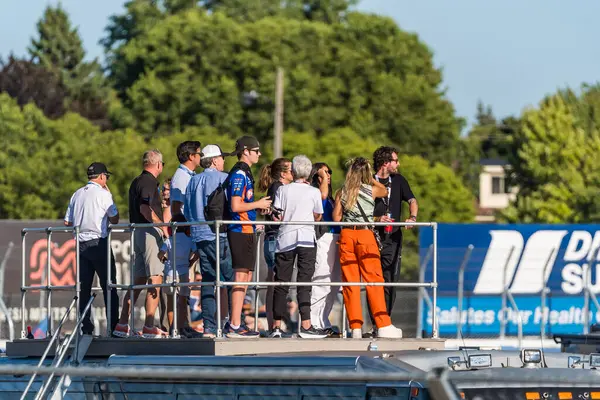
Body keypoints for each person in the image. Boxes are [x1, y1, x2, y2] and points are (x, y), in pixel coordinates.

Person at [332, 157, 403, 339]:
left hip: (347, 236)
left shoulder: (342, 192)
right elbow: (384, 189)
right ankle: (383, 324)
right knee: (374, 280)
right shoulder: (371, 190)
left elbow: (336, 218)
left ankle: (355, 326)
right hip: (365, 235)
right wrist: (370, 177)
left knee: (350, 283)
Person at [113, 149, 169, 339]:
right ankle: (149, 326)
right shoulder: (148, 182)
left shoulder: (136, 181)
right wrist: (162, 226)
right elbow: (145, 207)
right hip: (148, 232)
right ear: (158, 164)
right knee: (155, 278)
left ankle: (122, 324)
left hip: (137, 232)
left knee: (138, 282)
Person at [269, 155, 326, 339]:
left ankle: (276, 326)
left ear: (293, 171)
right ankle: (306, 325)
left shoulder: (283, 190)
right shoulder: (313, 192)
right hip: (307, 239)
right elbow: (318, 215)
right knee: (304, 283)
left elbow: (278, 214)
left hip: (286, 238)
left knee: (281, 283)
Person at [366, 146, 418, 336]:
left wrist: (412, 217)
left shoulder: (399, 180)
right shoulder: (367, 180)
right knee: (373, 282)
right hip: (371, 235)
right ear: (385, 163)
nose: (399, 164)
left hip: (393, 238)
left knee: (389, 281)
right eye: (396, 160)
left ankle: (385, 322)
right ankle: (374, 324)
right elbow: (358, 211)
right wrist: (377, 219)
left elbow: (412, 200)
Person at [224, 136, 272, 338]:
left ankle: (236, 322)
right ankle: (234, 324)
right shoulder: (239, 174)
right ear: (246, 151)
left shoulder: (245, 173)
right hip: (239, 230)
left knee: (246, 277)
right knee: (240, 277)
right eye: (256, 150)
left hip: (246, 228)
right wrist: (258, 204)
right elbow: (235, 205)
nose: (259, 154)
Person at [64, 162, 119, 335]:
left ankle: (86, 328)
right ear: (102, 176)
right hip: (98, 243)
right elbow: (115, 218)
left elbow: (67, 222)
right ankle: (113, 328)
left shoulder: (77, 194)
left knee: (84, 288)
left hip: (80, 245)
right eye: (107, 177)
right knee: (109, 286)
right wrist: (109, 195)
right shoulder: (103, 195)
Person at [184, 144, 234, 338]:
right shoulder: (224, 178)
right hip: (219, 235)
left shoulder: (193, 181)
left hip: (200, 236)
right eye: (222, 158)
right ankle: (233, 324)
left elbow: (188, 211)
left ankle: (209, 328)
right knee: (230, 281)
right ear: (214, 160)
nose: (224, 161)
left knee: (207, 281)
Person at [164, 141, 202, 335]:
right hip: (183, 234)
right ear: (190, 156)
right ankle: (178, 327)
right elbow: (177, 207)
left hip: (188, 233)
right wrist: (187, 228)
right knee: (179, 282)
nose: (201, 156)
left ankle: (183, 325)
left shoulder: (188, 175)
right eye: (198, 153)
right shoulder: (181, 177)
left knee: (185, 283)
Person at [257, 157, 293, 331]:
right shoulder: (278, 188)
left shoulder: (278, 188)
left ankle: (274, 324)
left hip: (273, 238)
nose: (294, 173)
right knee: (276, 282)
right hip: (275, 238)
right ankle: (274, 325)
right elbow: (278, 215)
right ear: (283, 173)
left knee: (274, 281)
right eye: (290, 170)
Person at [309, 162, 341, 337]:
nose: (328, 175)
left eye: (329, 172)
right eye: (325, 172)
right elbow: (321, 197)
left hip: (336, 238)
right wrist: (321, 175)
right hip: (324, 238)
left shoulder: (329, 196)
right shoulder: (316, 193)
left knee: (333, 284)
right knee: (321, 280)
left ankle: (323, 320)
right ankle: (313, 321)